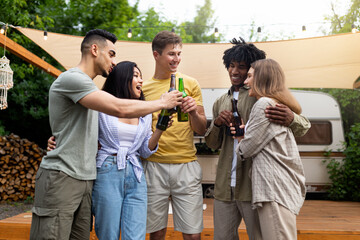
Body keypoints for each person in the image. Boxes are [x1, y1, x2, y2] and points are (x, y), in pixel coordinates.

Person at [30, 29, 182, 240]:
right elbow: (119, 109)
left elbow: (77, 125)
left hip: (87, 177)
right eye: (111, 54)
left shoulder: (90, 90)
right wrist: (163, 102)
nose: (114, 61)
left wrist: (57, 138)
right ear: (94, 49)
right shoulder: (73, 79)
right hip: (63, 175)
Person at [204, 38, 310, 240]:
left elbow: (303, 125)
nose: (235, 71)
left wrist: (292, 118)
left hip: (254, 187)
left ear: (252, 70)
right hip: (224, 188)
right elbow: (212, 144)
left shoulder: (260, 97)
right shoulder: (220, 102)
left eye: (242, 67)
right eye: (231, 66)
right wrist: (217, 124)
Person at [92, 61, 173, 240]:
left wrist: (160, 129)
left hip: (136, 175)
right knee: (108, 234)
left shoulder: (144, 112)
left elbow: (145, 150)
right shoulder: (102, 106)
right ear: (123, 78)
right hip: (108, 171)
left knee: (136, 236)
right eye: (136, 75)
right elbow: (85, 132)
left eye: (140, 75)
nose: (141, 80)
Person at [141, 30, 207, 240]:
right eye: (171, 54)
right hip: (153, 165)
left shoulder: (190, 84)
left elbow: (201, 129)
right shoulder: (143, 88)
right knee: (156, 232)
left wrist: (193, 111)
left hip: (186, 164)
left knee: (193, 234)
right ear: (156, 55)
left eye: (179, 53)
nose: (176, 59)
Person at [233, 58, 306, 239]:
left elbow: (246, 150)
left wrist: (240, 140)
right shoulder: (275, 103)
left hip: (273, 187)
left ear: (262, 79)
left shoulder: (263, 104)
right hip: (278, 186)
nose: (245, 81)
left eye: (250, 76)